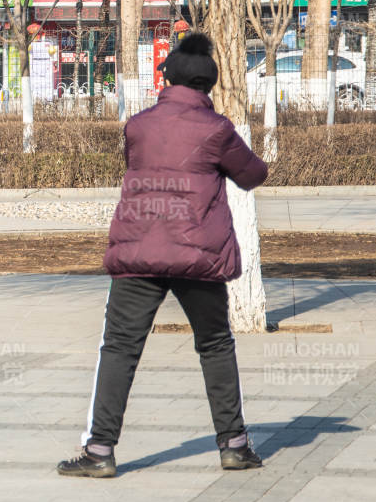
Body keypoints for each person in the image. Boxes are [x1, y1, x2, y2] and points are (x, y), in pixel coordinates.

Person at [58, 32, 268, 479]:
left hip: (139, 249)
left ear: (167, 79)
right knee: (214, 345)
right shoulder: (217, 131)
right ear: (208, 85)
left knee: (119, 347)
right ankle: (233, 445)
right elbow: (252, 176)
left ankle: (99, 450)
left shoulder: (138, 125)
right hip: (198, 255)